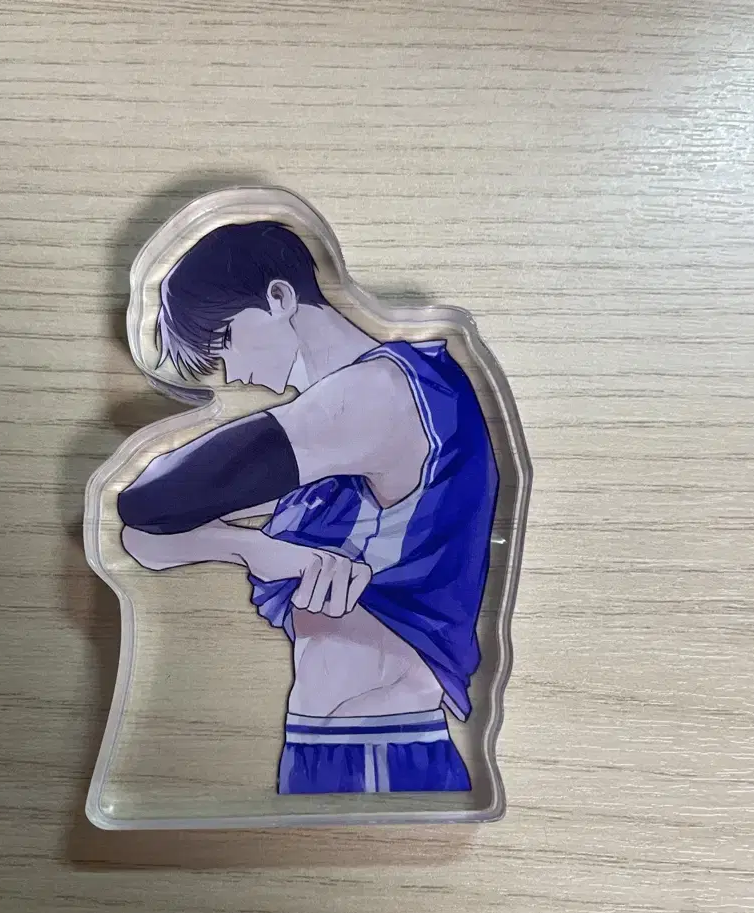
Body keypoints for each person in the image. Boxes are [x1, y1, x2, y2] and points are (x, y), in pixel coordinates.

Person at [117, 221, 498, 795]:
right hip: (329, 741)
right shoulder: (334, 439)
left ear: (279, 298)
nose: (232, 371)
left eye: (225, 339)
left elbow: (150, 498)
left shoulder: (378, 395)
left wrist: (244, 546)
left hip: (384, 742)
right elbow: (143, 536)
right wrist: (252, 548)